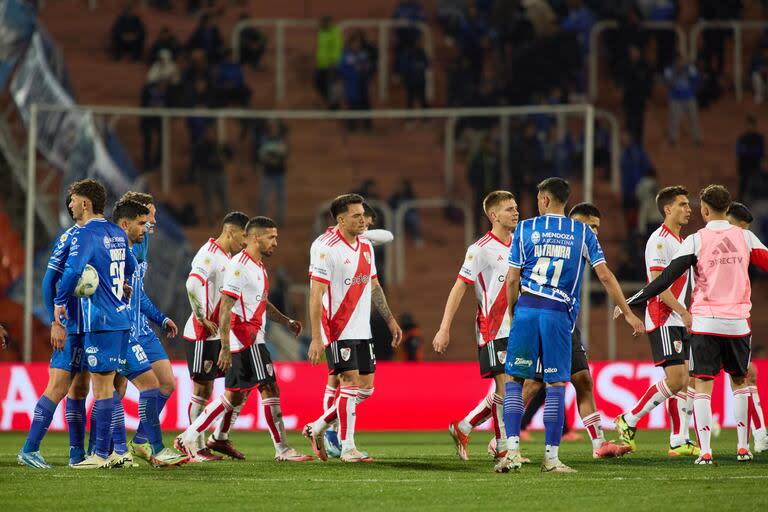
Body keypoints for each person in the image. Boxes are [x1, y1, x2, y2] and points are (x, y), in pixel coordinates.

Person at [496, 177, 644, 474]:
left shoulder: (524, 228)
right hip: (557, 313)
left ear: (545, 200)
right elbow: (605, 276)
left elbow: (512, 279)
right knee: (555, 384)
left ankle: (510, 452)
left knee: (514, 380)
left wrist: (515, 314)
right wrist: (627, 312)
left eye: (539, 198)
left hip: (526, 308)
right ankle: (551, 459)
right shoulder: (582, 232)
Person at [622, 185, 768, 464]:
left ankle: (705, 451)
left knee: (701, 385)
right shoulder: (746, 237)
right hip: (738, 323)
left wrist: (632, 299)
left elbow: (663, 279)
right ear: (728, 208)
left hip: (705, 322)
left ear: (704, 210)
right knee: (739, 382)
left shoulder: (695, 240)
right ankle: (743, 448)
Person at [176, 217, 312, 462]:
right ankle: (282, 449)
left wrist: (285, 321)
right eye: (272, 237)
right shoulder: (236, 263)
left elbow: (259, 301)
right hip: (241, 337)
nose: (276, 243)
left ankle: (199, 437)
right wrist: (224, 345)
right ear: (256, 237)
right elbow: (226, 305)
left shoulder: (255, 266)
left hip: (247, 335)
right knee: (264, 388)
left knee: (235, 394)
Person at [515, 203, 633, 460]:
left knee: (583, 380)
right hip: (545, 318)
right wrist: (628, 311)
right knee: (533, 384)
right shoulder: (568, 240)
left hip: (566, 323)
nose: (595, 233)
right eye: (591, 226)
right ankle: (503, 439)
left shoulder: (576, 243)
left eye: (597, 228)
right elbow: (605, 276)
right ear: (575, 224)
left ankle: (599, 443)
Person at [303, 194, 402, 463]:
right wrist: (315, 337)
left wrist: (390, 320)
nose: (364, 220)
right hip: (336, 327)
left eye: (363, 215)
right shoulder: (324, 247)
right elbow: (315, 295)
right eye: (357, 216)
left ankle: (318, 427)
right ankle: (348, 447)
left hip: (362, 329)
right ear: (341, 219)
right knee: (349, 384)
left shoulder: (366, 246)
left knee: (366, 389)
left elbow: (374, 285)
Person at [49, 180, 136, 469]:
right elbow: (131, 267)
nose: (70, 205)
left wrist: (60, 301)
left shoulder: (85, 234)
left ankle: (100, 454)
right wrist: (121, 283)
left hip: (101, 321)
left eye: (73, 200)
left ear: (85, 203)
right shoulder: (116, 232)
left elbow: (73, 270)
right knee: (109, 388)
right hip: (121, 320)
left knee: (101, 390)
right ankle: (116, 452)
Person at [614, 186, 701, 457]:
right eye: (683, 204)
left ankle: (678, 439)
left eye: (688, 204)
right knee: (677, 380)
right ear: (667, 209)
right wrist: (683, 312)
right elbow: (658, 284)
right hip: (664, 317)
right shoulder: (660, 241)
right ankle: (629, 419)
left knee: (687, 381)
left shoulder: (682, 240)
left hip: (679, 317)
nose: (689, 209)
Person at [432, 191, 518, 462]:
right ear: (494, 216)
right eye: (509, 209)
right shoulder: (480, 249)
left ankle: (464, 426)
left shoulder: (521, 243)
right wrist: (444, 328)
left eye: (516, 207)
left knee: (512, 388)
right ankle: (504, 449)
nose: (516, 213)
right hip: (493, 328)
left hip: (519, 327)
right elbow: (459, 287)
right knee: (504, 387)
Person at [110, 199, 187, 468]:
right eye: (146, 219)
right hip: (122, 330)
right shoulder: (118, 249)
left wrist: (161, 317)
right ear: (129, 221)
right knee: (117, 390)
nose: (151, 223)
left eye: (150, 219)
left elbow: (138, 293)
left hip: (142, 329)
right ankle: (115, 448)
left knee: (166, 383)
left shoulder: (140, 244)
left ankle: (138, 440)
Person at [17, 196, 91, 469]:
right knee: (58, 386)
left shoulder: (94, 234)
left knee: (80, 388)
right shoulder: (69, 238)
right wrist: (56, 322)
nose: (68, 206)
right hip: (71, 326)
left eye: (72, 201)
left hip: (89, 328)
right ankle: (29, 449)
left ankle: (76, 455)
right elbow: (49, 282)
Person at [182, 211, 249, 461]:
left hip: (215, 335)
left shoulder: (226, 256)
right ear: (230, 231)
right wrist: (200, 316)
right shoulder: (209, 253)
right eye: (243, 236)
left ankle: (204, 443)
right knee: (201, 390)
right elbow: (191, 284)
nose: (245, 242)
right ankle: (194, 447)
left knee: (216, 387)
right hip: (201, 334)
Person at [726, 202, 768, 454]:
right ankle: (758, 435)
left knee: (695, 380)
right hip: (734, 319)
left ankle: (759, 434)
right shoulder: (744, 236)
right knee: (743, 377)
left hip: (701, 318)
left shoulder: (699, 239)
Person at [467, 135, 501, 237]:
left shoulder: (495, 157)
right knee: (477, 212)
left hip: (492, 191)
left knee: (492, 213)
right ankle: (477, 233)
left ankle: (490, 234)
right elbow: (471, 172)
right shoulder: (478, 158)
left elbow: (498, 174)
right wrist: (474, 185)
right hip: (480, 189)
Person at [664, 55, 701, 146]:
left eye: (682, 61)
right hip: (675, 99)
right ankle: (673, 139)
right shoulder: (669, 70)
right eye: (678, 61)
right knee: (674, 119)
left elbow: (697, 79)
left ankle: (696, 139)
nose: (680, 63)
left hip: (689, 97)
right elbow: (667, 82)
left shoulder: (690, 68)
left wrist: (693, 90)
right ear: (675, 61)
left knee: (693, 118)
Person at [258, 120, 288, 226]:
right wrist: (274, 157)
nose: (273, 129)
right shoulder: (264, 140)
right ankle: (262, 221)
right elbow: (262, 156)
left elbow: (284, 154)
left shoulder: (281, 140)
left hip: (279, 173)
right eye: (272, 127)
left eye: (275, 127)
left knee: (281, 198)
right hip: (268, 173)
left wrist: (272, 157)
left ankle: (280, 220)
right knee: (264, 198)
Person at [622, 45, 653, 146]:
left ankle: (638, 143)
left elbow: (649, 83)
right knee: (629, 120)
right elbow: (623, 81)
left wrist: (648, 98)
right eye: (632, 53)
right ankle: (629, 142)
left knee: (639, 121)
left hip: (640, 98)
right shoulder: (625, 65)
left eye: (635, 52)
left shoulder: (645, 66)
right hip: (629, 98)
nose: (634, 55)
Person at [314, 16, 343, 109]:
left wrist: (334, 61)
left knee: (331, 85)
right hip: (321, 64)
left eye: (323, 22)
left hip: (331, 64)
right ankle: (331, 102)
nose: (321, 24)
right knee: (318, 84)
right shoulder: (321, 32)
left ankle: (334, 105)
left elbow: (337, 47)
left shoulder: (335, 32)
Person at [737, 116, 765, 200]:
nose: (749, 127)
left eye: (751, 125)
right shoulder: (742, 138)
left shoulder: (759, 138)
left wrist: (748, 151)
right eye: (748, 125)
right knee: (743, 186)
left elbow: (760, 152)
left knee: (756, 186)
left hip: (755, 165)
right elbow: (739, 152)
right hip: (744, 166)